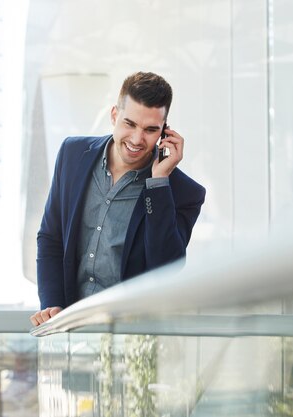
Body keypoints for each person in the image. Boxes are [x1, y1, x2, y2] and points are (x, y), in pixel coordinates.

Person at [30, 71, 205, 326]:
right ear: (114, 115)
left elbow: (165, 271)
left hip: (130, 335)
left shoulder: (183, 192)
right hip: (70, 329)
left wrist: (158, 184)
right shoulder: (72, 154)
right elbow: (50, 237)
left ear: (164, 132)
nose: (137, 139)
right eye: (129, 124)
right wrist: (52, 305)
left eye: (150, 130)